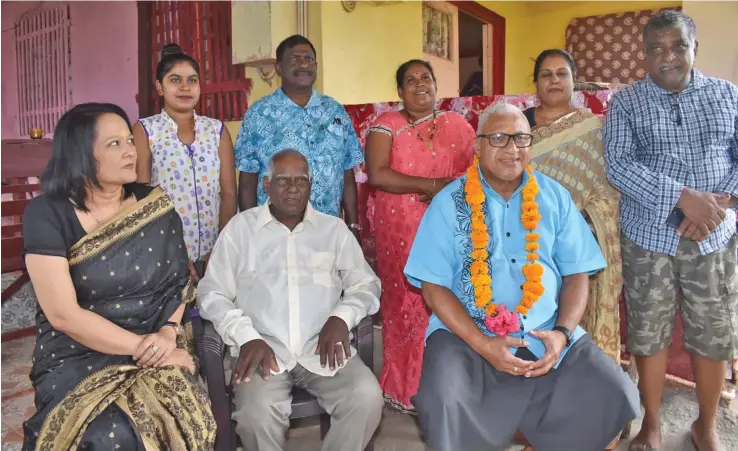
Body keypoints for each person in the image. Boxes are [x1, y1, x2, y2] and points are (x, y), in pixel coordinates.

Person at [406, 104, 639, 451]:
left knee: (617, 392)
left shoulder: (554, 196)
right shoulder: (449, 202)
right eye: (498, 138)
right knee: (443, 400)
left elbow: (577, 272)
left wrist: (561, 334)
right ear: (478, 145)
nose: (512, 148)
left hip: (543, 331)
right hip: (467, 336)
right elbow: (433, 287)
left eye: (521, 138)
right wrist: (482, 343)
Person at [21, 103, 215, 450]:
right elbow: (63, 314)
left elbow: (177, 286)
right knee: (104, 432)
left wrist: (168, 335)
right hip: (76, 350)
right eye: (114, 144)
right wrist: (146, 350)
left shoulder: (153, 205)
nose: (130, 151)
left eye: (130, 140)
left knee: (170, 411)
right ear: (80, 153)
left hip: (158, 335)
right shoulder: (47, 213)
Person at [604, 10, 738, 451]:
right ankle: (653, 424)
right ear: (643, 55)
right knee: (648, 332)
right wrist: (684, 198)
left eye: (678, 45)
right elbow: (619, 164)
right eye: (656, 48)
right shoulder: (625, 103)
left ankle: (706, 426)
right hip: (649, 236)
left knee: (713, 332)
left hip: (714, 236)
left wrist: (717, 206)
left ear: (693, 48)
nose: (668, 56)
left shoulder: (728, 95)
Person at [198, 149, 383, 451]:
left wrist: (342, 317)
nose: (293, 188)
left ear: (311, 185)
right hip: (262, 351)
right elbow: (211, 293)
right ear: (266, 186)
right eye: (282, 181)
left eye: (301, 180)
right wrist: (246, 337)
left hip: (323, 348)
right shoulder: (240, 231)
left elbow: (366, 284)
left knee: (366, 398)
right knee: (255, 416)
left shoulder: (333, 230)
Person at [521, 48, 626, 450]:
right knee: (537, 329)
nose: (553, 81)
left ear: (574, 80)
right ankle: (540, 425)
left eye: (561, 73)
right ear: (535, 82)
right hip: (529, 246)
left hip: (582, 241)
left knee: (576, 331)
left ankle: (594, 422)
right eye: (545, 73)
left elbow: (605, 192)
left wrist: (580, 220)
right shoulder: (518, 127)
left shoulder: (592, 127)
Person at [365, 59, 475, 411]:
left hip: (449, 226)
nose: (419, 85)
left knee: (449, 301)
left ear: (436, 86)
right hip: (400, 230)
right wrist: (432, 184)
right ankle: (404, 389)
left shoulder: (457, 124)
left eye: (425, 78)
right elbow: (379, 175)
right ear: (399, 91)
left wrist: (448, 190)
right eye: (410, 80)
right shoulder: (386, 126)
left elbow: (477, 172)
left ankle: (449, 388)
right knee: (407, 306)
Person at [234, 34, 364, 240]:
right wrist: (251, 231)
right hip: (274, 233)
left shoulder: (335, 111)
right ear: (279, 68)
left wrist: (353, 224)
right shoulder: (259, 114)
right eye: (294, 59)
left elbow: (346, 173)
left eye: (309, 59)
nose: (303, 64)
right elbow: (247, 179)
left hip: (328, 231)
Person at [134, 43, 237, 281]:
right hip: (165, 253)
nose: (185, 87)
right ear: (160, 87)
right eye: (175, 80)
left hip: (216, 252)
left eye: (192, 80)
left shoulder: (216, 130)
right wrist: (173, 254)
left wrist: (221, 250)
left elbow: (229, 193)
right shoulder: (146, 130)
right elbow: (141, 199)